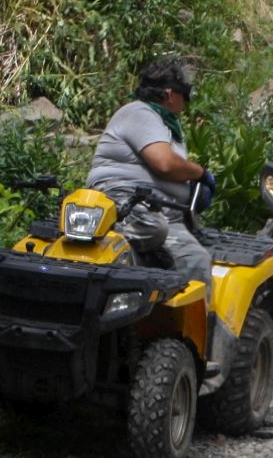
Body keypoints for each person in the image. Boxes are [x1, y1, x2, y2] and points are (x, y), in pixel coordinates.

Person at [87, 57, 218, 287]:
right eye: (184, 96)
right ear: (170, 94)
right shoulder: (139, 112)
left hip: (164, 214)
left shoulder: (165, 125)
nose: (186, 104)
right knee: (153, 228)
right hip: (123, 203)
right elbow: (164, 163)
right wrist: (200, 173)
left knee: (196, 261)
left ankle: (190, 322)